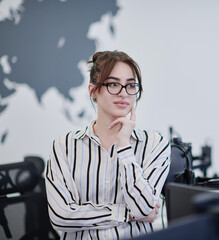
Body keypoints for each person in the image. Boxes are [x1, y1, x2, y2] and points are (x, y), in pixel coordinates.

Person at [45, 50, 171, 239]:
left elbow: (144, 210)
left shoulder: (155, 144)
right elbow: (61, 216)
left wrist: (124, 146)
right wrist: (125, 213)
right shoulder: (64, 146)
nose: (123, 93)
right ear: (93, 91)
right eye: (113, 84)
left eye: (130, 85)